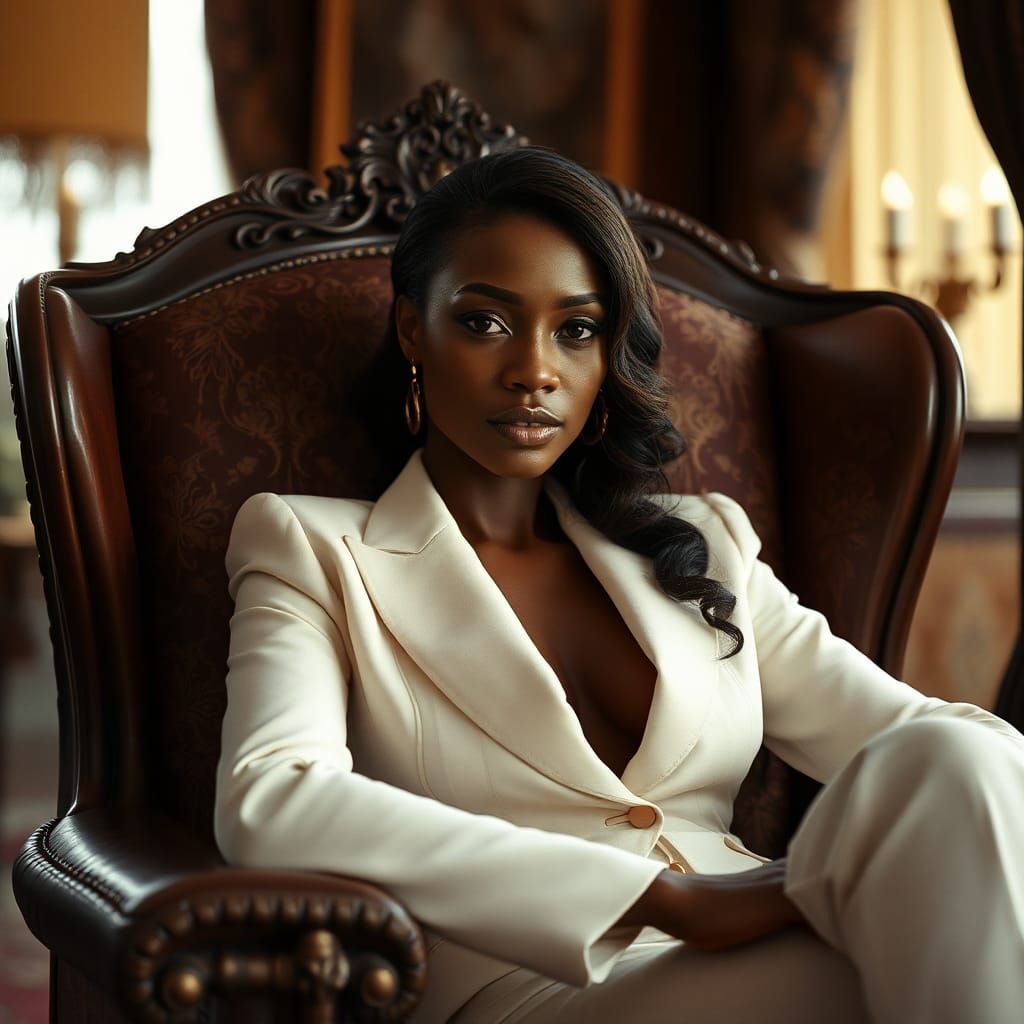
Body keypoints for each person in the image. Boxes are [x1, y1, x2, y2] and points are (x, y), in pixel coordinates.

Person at [216, 147, 1024, 1023]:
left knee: (954, 757)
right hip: (542, 984)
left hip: (771, 931)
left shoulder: (701, 544)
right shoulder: (312, 546)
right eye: (487, 322)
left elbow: (927, 747)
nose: (535, 369)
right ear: (415, 329)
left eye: (577, 329)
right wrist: (665, 901)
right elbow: (271, 798)